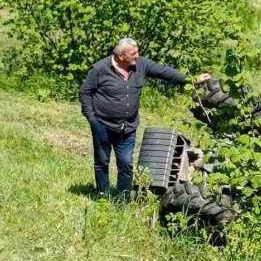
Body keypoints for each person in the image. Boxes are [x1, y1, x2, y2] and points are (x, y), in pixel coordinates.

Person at [78, 37, 211, 198]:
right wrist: (92, 118)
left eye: (137, 52)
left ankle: (123, 198)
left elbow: (164, 72)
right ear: (120, 56)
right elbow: (85, 92)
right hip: (102, 125)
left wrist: (191, 80)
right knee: (102, 161)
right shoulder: (100, 69)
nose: (137, 56)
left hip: (128, 126)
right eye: (133, 53)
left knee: (126, 163)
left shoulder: (141, 64)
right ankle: (103, 195)